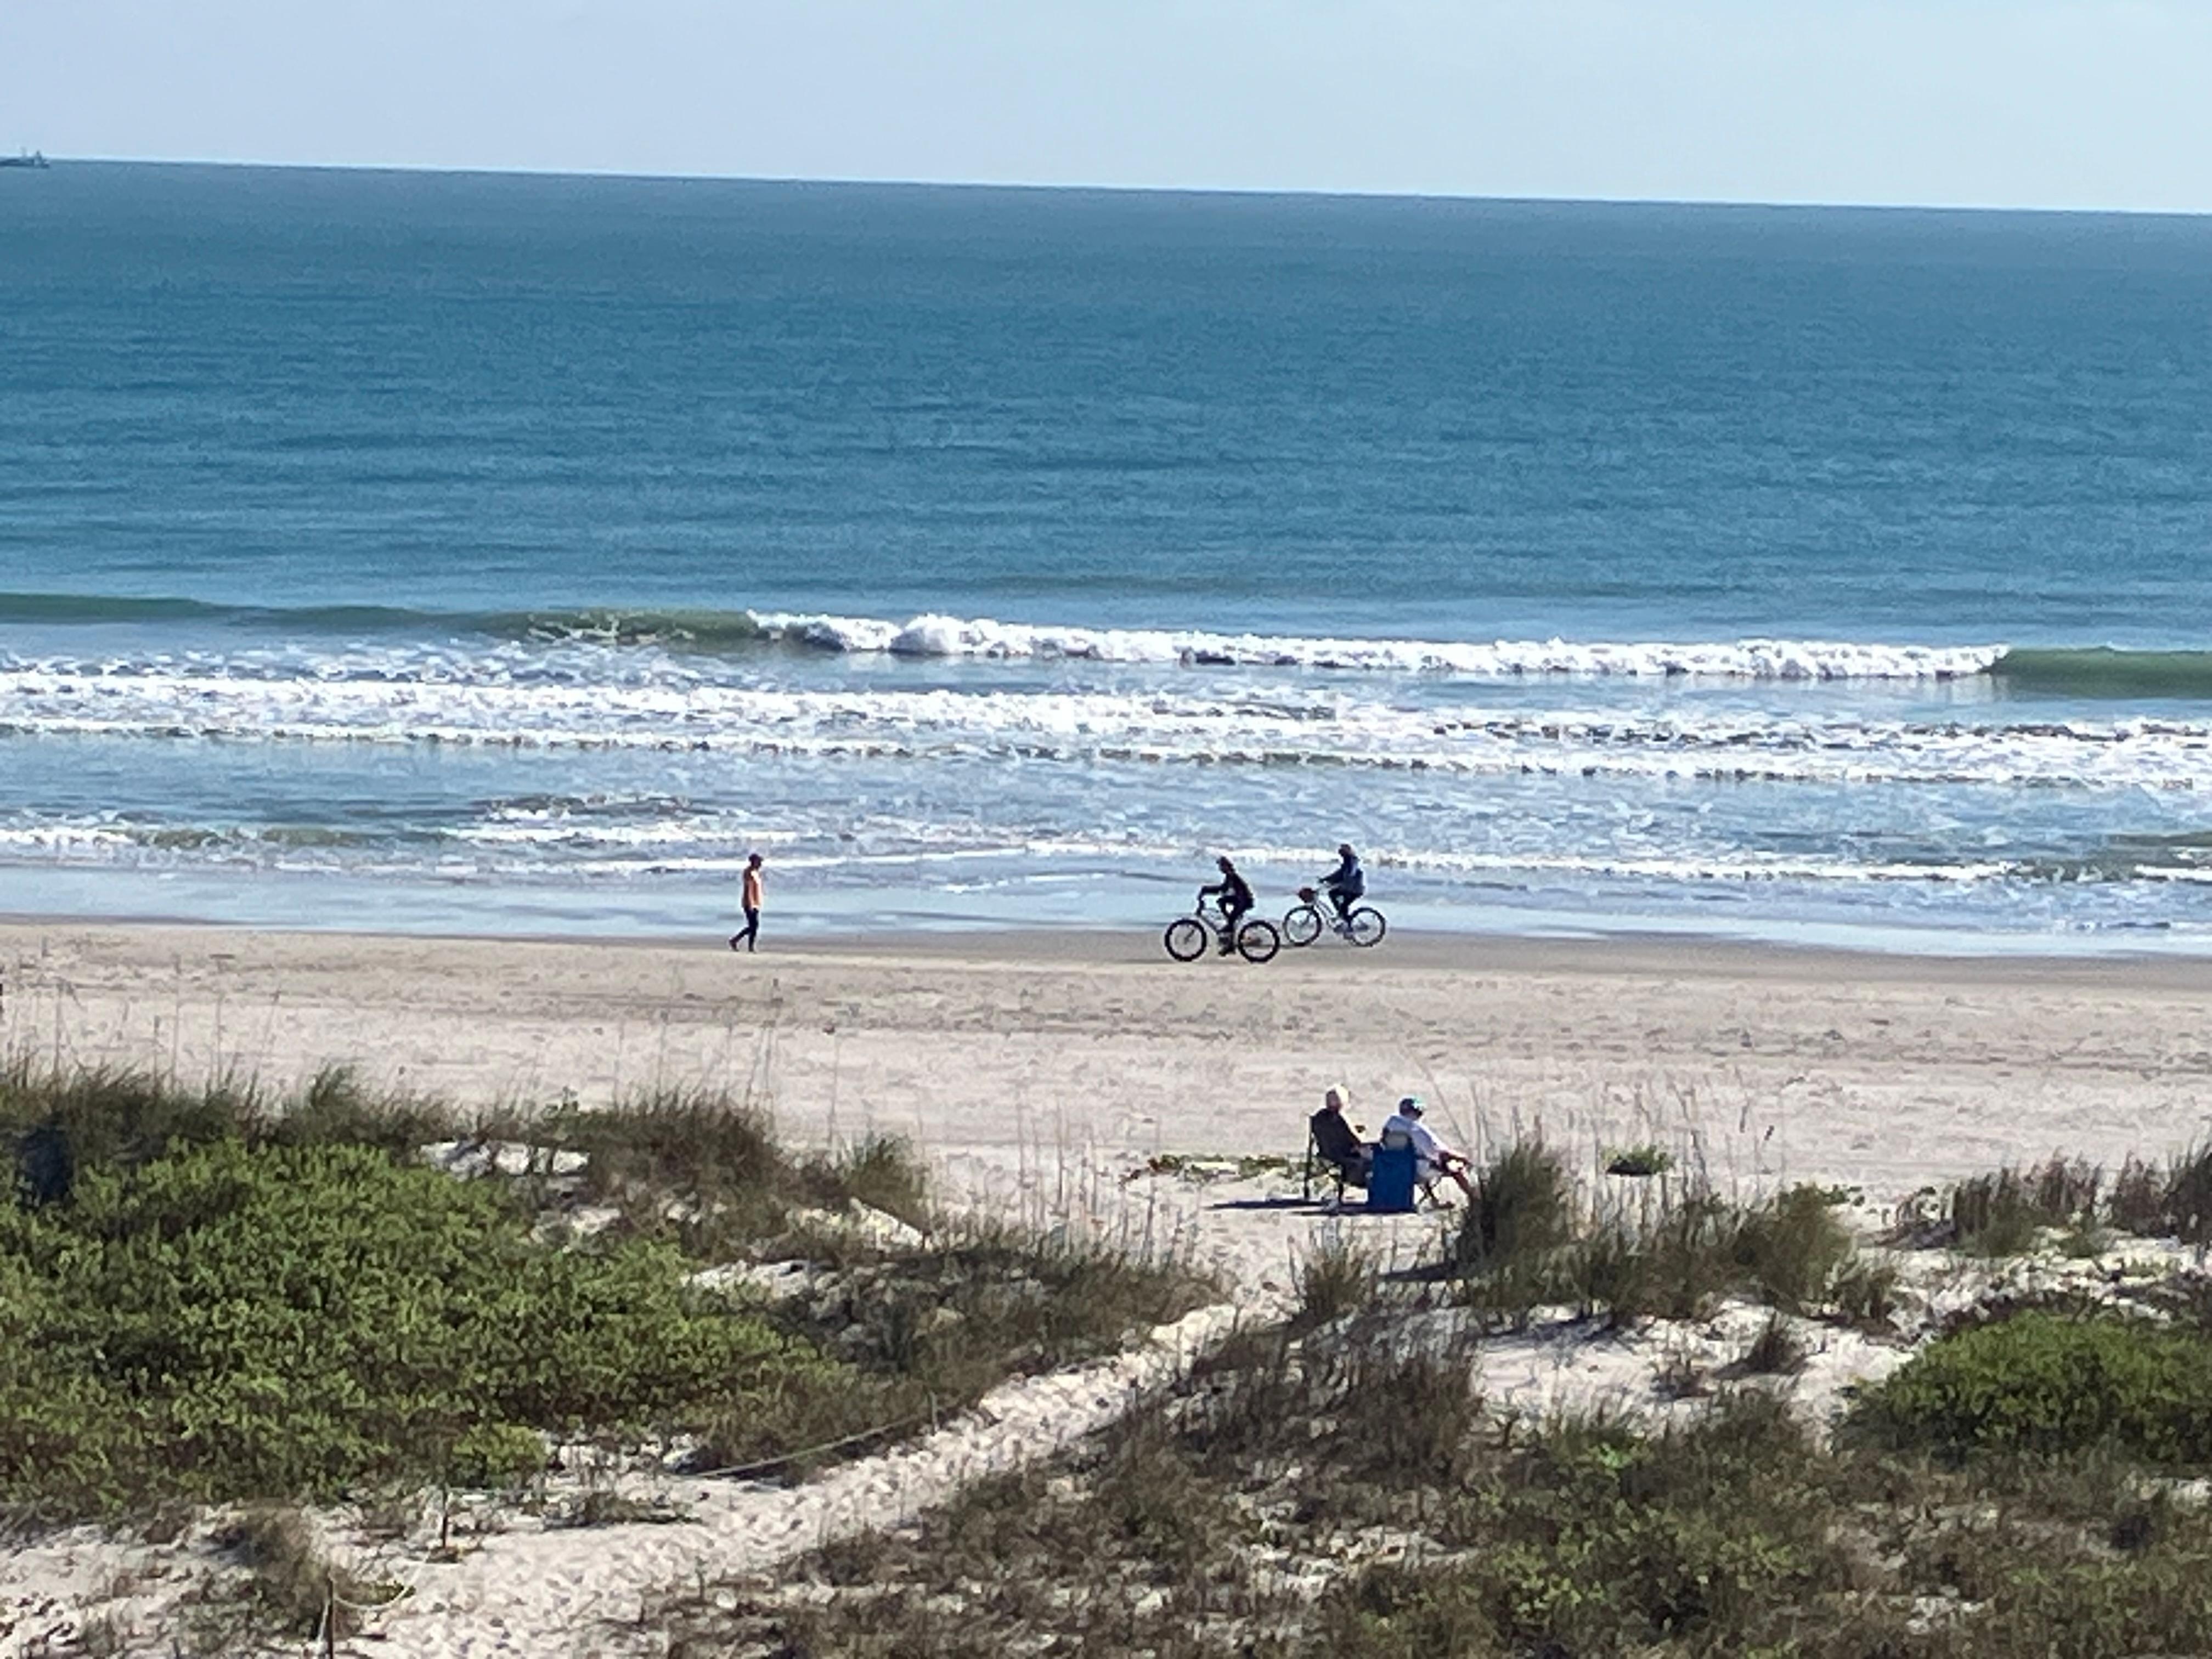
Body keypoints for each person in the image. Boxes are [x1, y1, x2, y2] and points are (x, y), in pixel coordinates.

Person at [1378, 1095, 1474, 1201]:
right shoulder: (1417, 1129)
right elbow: (1435, 1152)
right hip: (1417, 1169)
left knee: (1427, 1159)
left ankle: (1435, 1199)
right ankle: (1474, 1197)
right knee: (1455, 1167)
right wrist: (1463, 1158)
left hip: (1393, 1167)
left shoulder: (1391, 1124)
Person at [1309, 1084, 1370, 1190]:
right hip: (1344, 1155)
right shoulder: (1341, 1118)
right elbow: (1357, 1140)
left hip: (1325, 1154)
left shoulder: (1319, 1117)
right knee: (1372, 1157)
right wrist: (1362, 1133)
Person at [1198, 856, 1254, 954]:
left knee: (1231, 920)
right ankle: (1230, 933)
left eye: (1221, 866)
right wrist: (1207, 890)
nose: (1220, 869)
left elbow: (1223, 889)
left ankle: (1230, 944)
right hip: (1240, 899)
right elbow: (1223, 889)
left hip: (1244, 901)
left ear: (1226, 866)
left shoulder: (1232, 876)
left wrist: (1207, 890)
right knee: (1222, 902)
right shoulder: (1230, 876)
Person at [1321, 843, 1365, 924]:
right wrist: (1327, 879)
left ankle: (1347, 925)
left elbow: (1349, 874)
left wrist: (1337, 882)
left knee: (1335, 895)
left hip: (1354, 889)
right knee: (1340, 903)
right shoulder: (1348, 861)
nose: (1340, 853)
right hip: (1351, 888)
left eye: (1342, 851)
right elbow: (1340, 874)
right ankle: (1343, 917)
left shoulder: (1351, 861)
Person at [729, 852, 764, 953]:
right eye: (759, 862)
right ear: (754, 862)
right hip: (749, 902)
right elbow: (748, 888)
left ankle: (737, 941)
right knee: (754, 925)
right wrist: (751, 903)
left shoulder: (756, 873)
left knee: (754, 926)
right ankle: (746, 945)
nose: (760, 864)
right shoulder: (748, 872)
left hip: (756, 902)